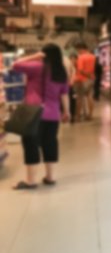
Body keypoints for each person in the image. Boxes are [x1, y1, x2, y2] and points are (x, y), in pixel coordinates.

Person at [11, 44, 70, 190]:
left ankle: (31, 181)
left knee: (31, 144)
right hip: (53, 114)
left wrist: (35, 56)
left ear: (43, 54)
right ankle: (50, 177)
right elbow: (64, 94)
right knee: (50, 143)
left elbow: (15, 64)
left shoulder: (37, 67)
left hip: (34, 113)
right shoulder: (61, 71)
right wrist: (66, 111)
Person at [74, 42, 96, 120]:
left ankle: (78, 116)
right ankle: (90, 115)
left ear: (81, 49)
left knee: (79, 98)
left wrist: (87, 75)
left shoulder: (80, 57)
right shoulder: (93, 56)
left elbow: (80, 70)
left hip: (82, 80)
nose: (77, 52)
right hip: (91, 79)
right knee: (90, 97)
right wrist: (90, 76)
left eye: (78, 50)